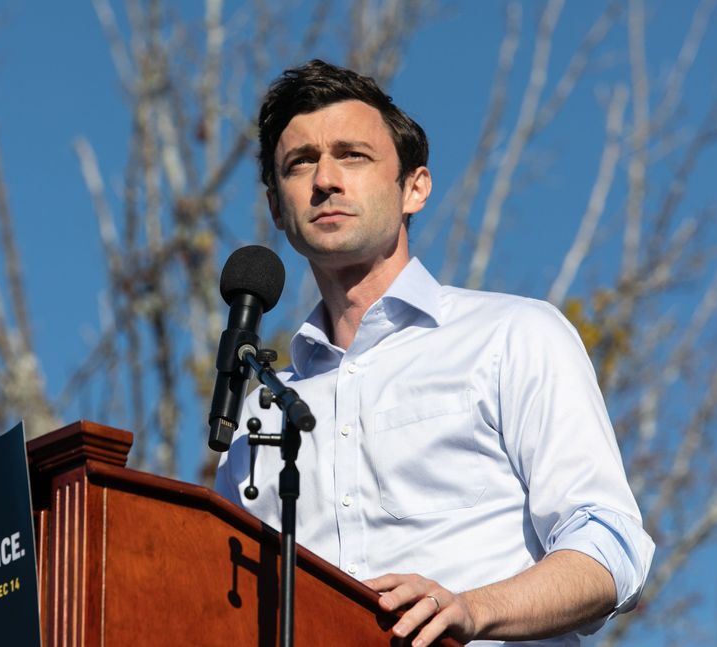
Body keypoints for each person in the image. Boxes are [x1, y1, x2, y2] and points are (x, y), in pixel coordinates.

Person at [214, 60, 653, 646]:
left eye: (353, 155)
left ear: (414, 188)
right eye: (300, 163)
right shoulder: (259, 412)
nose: (325, 179)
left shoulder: (513, 336)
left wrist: (471, 610)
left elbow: (609, 549)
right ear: (277, 208)